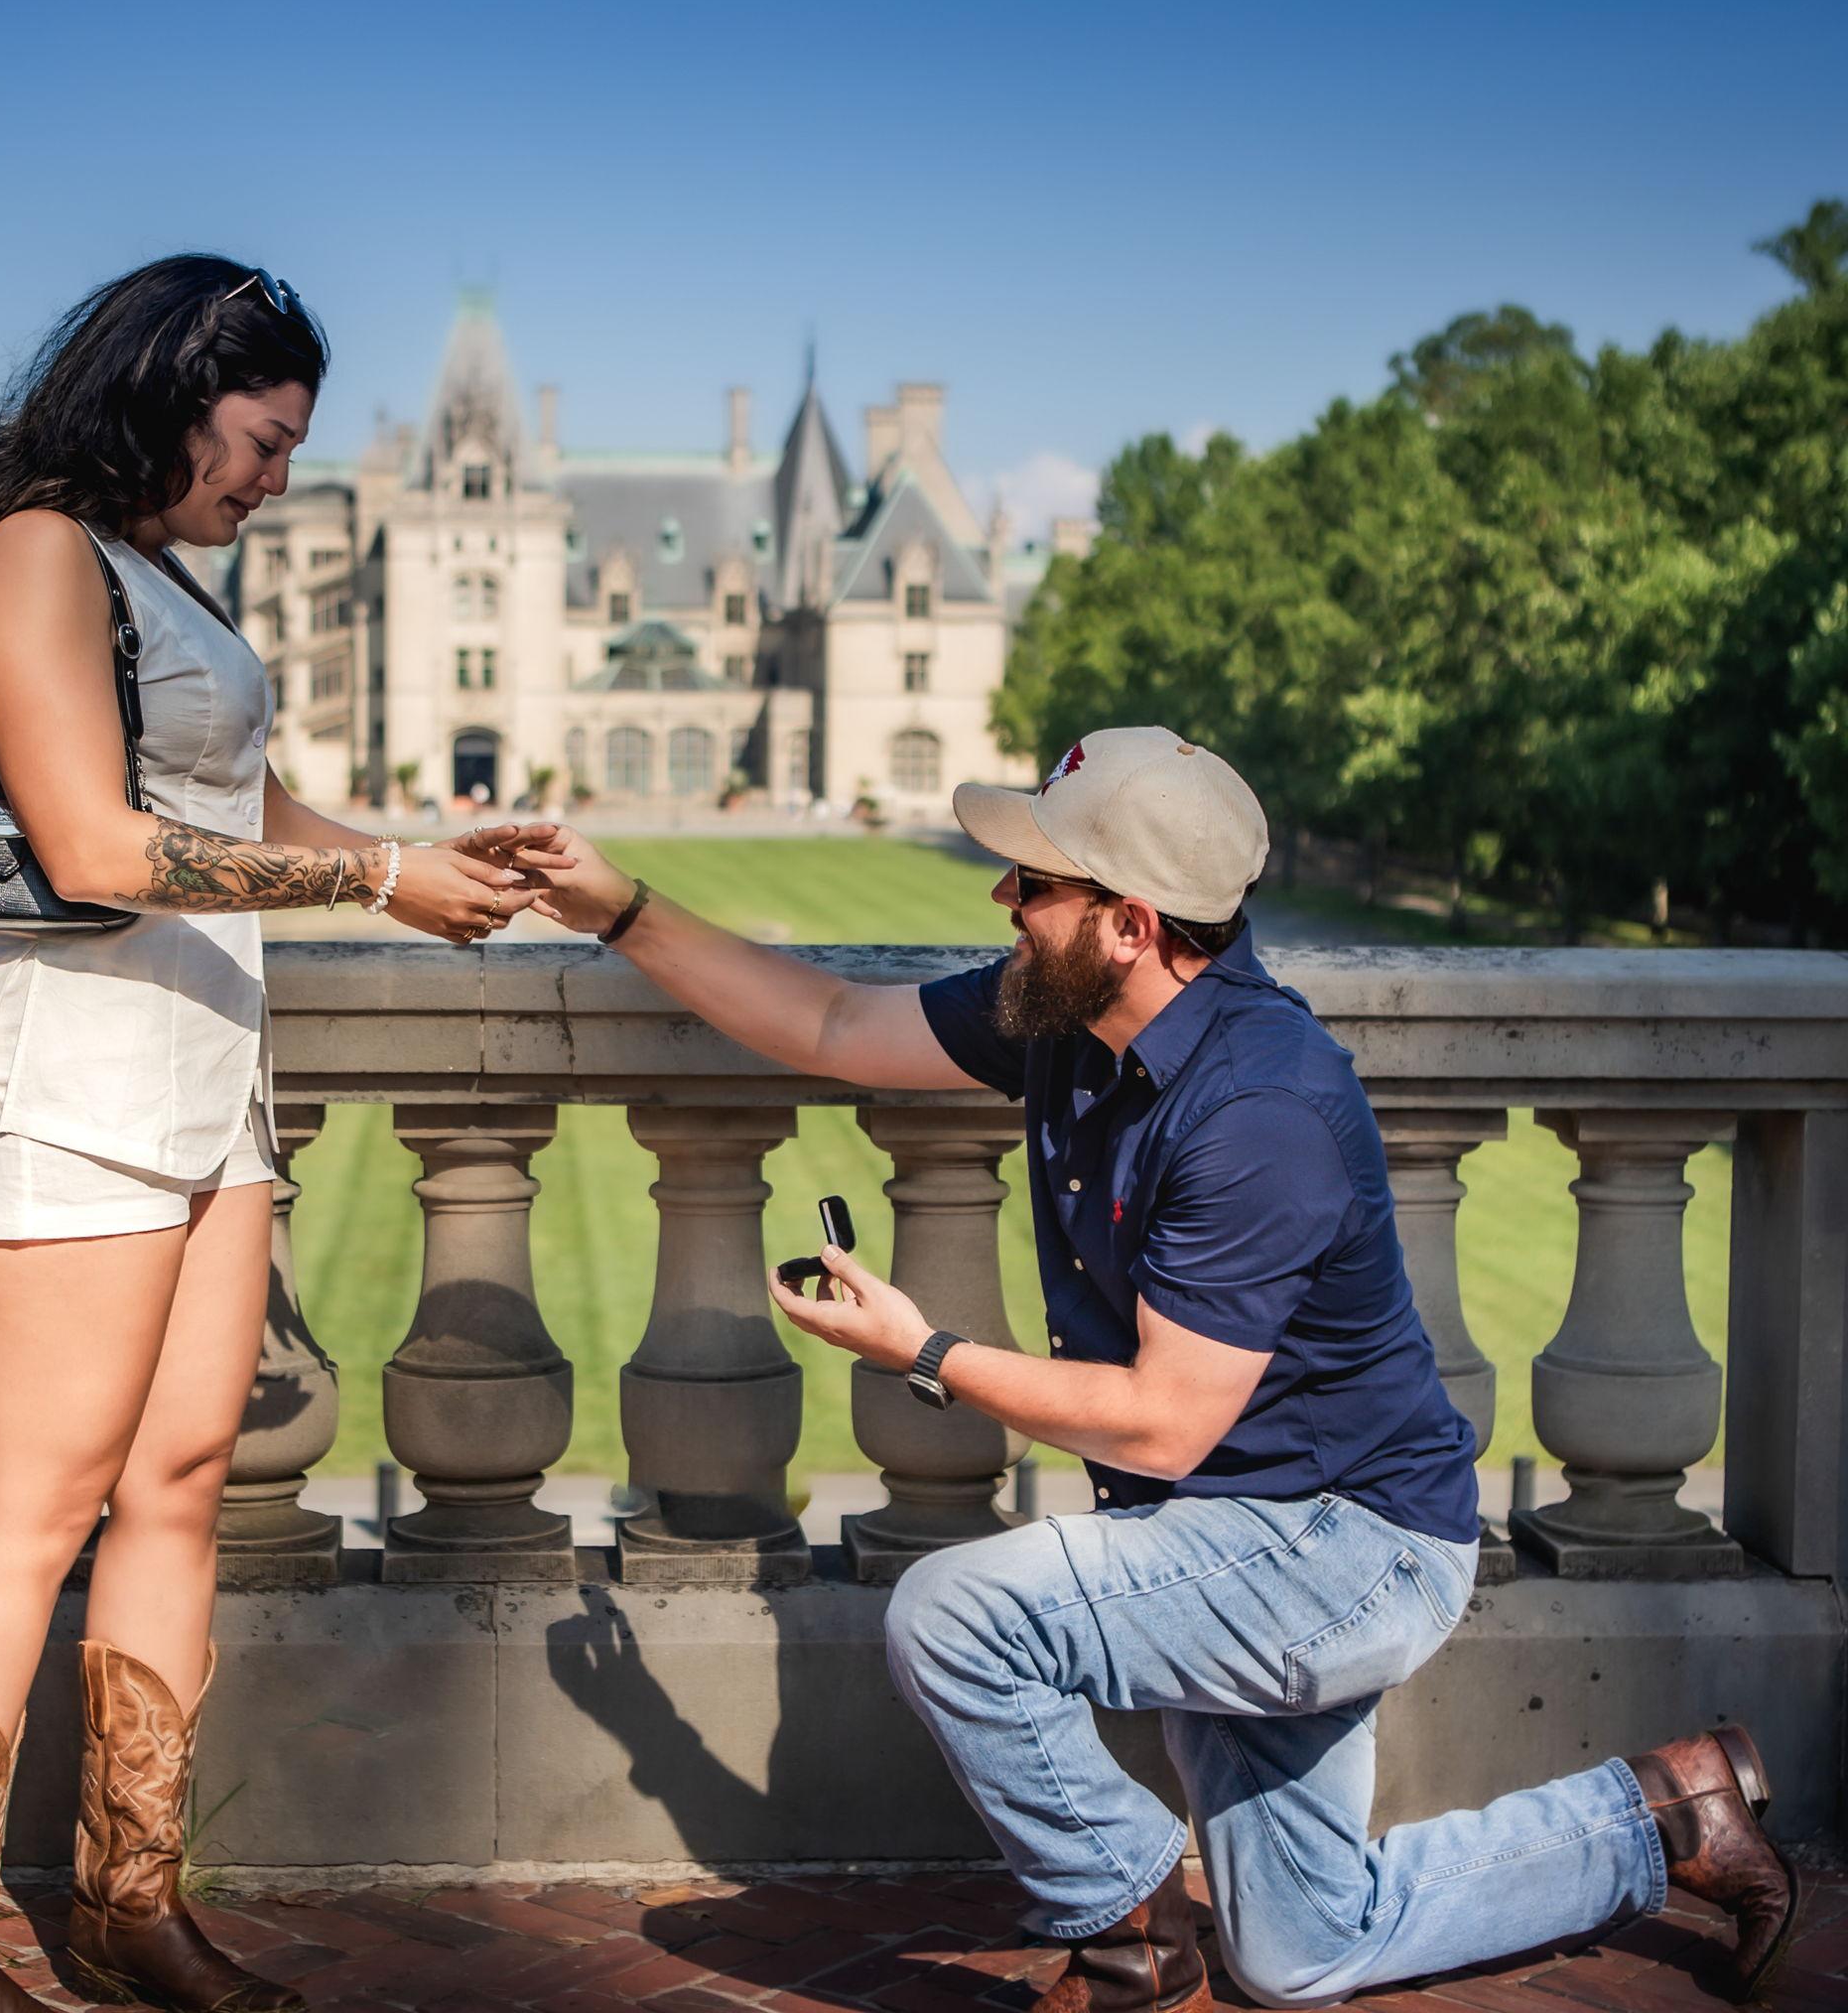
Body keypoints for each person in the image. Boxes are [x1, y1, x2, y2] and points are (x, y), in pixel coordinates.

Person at [519, 726, 1799, 2010]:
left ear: (1130, 925)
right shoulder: (1071, 1018)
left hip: (1344, 1557)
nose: (1002, 900)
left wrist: (926, 1350)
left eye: (1036, 884)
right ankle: (1669, 1815)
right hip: (1235, 1537)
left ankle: (1129, 1932)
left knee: (957, 1619)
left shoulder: (1257, 1111)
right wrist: (615, 907)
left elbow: (1162, 1426)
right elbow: (833, 1021)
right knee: (1306, 1952)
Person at [0, 255, 550, 2013]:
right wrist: (370, 876)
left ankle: (127, 1907)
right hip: (63, 1071)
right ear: (168, 397)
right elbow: (94, 851)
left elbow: (231, 799)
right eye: (258, 441)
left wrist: (411, 872)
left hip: (199, 1072)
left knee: (178, 1486)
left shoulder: (164, 583)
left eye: (292, 451)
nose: (274, 481)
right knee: (31, 1509)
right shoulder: (37, 551)